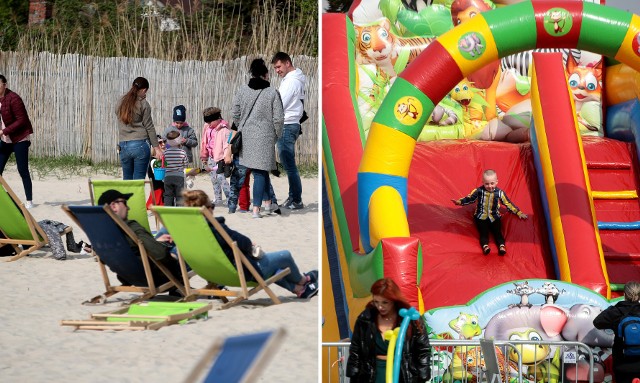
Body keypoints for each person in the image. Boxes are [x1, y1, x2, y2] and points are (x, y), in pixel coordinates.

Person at [182, 189, 318, 298]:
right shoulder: (215, 228)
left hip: (214, 274)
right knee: (284, 256)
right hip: (241, 274)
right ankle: (303, 280)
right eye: (212, 206)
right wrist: (250, 245)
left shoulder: (188, 231)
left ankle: (298, 290)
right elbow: (244, 242)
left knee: (275, 266)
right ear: (206, 209)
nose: (213, 209)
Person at [346, 278, 431, 383]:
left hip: (403, 373)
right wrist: (353, 374)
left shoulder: (409, 319)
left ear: (394, 299)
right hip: (373, 374)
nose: (380, 307)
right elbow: (356, 350)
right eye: (376, 302)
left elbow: (423, 349)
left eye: (385, 302)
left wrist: (423, 375)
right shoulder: (365, 319)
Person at [97, 189, 183, 287]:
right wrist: (172, 256)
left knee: (165, 231)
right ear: (113, 206)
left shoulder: (101, 232)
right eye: (124, 203)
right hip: (157, 276)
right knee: (184, 243)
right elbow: (161, 254)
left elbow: (127, 252)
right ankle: (179, 285)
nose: (128, 208)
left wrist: (156, 242)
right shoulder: (130, 227)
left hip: (129, 277)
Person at [231, 58, 284, 219]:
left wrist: (242, 128)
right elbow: (279, 118)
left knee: (260, 170)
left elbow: (235, 113)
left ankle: (268, 203)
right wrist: (276, 134)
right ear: (265, 74)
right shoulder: (272, 92)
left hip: (247, 137)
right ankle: (256, 209)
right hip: (265, 136)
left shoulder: (242, 90)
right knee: (260, 172)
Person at [451, 169, 527, 255]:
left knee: (498, 232)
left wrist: (518, 212)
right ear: (483, 182)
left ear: (496, 182)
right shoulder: (478, 191)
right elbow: (470, 198)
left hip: (494, 216)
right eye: (486, 184)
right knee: (483, 232)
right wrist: (459, 202)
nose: (490, 186)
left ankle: (501, 246)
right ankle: (485, 246)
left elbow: (508, 203)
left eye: (492, 183)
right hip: (480, 216)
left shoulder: (499, 193)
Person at [272, 52, 306, 210]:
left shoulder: (291, 82)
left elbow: (279, 104)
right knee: (288, 164)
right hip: (291, 123)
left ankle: (296, 199)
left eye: (279, 66)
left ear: (287, 63)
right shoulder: (294, 79)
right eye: (275, 68)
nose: (277, 70)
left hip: (287, 124)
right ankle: (294, 197)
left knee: (289, 165)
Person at [116, 77, 162, 180]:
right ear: (144, 90)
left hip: (123, 145)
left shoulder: (120, 102)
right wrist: (157, 148)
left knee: (127, 181)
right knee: (138, 181)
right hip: (140, 145)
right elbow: (149, 127)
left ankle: (127, 197)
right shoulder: (143, 104)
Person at [593, 281, 640, 383]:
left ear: (624, 295)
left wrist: (611, 309)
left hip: (622, 364)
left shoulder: (617, 311)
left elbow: (597, 322)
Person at [0, 74, 34, 208]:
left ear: (4, 85)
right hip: (6, 139)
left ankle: (29, 201)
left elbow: (22, 120)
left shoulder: (14, 99)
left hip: (20, 138)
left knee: (22, 169)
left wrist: (4, 131)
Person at [200, 107, 231, 205]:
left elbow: (227, 145)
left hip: (220, 158)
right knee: (214, 179)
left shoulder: (224, 129)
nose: (209, 124)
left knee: (221, 178)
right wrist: (204, 156)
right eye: (207, 122)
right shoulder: (207, 127)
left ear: (217, 119)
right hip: (211, 157)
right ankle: (218, 198)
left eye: (210, 122)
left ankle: (230, 198)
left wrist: (227, 156)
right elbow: (204, 142)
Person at [163, 130, 188, 206]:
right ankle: (179, 212)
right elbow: (185, 165)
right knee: (180, 196)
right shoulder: (182, 152)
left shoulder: (165, 153)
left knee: (168, 195)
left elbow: (164, 165)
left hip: (168, 176)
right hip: (179, 176)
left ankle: (168, 211)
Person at [146, 135, 166, 208]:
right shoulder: (154, 161)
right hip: (159, 192)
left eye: (164, 142)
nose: (163, 144)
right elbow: (161, 178)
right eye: (160, 143)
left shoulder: (162, 159)